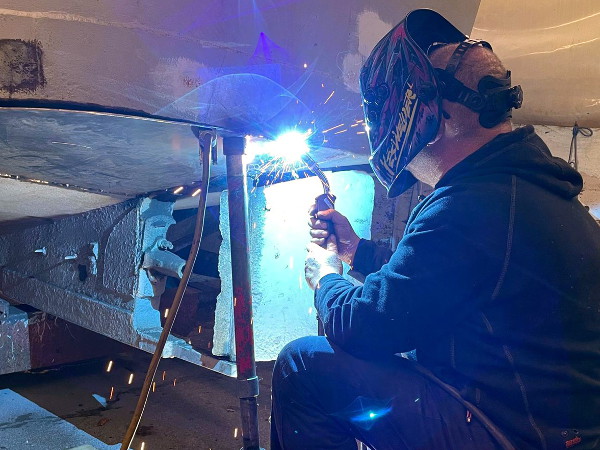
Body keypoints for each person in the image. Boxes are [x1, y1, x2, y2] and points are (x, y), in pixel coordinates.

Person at [270, 8, 600, 450]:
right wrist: (355, 251)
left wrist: (326, 275)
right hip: (551, 426)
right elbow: (437, 280)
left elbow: (367, 327)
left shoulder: (473, 203)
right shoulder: (526, 187)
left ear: (436, 113)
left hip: (510, 434)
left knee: (302, 364)